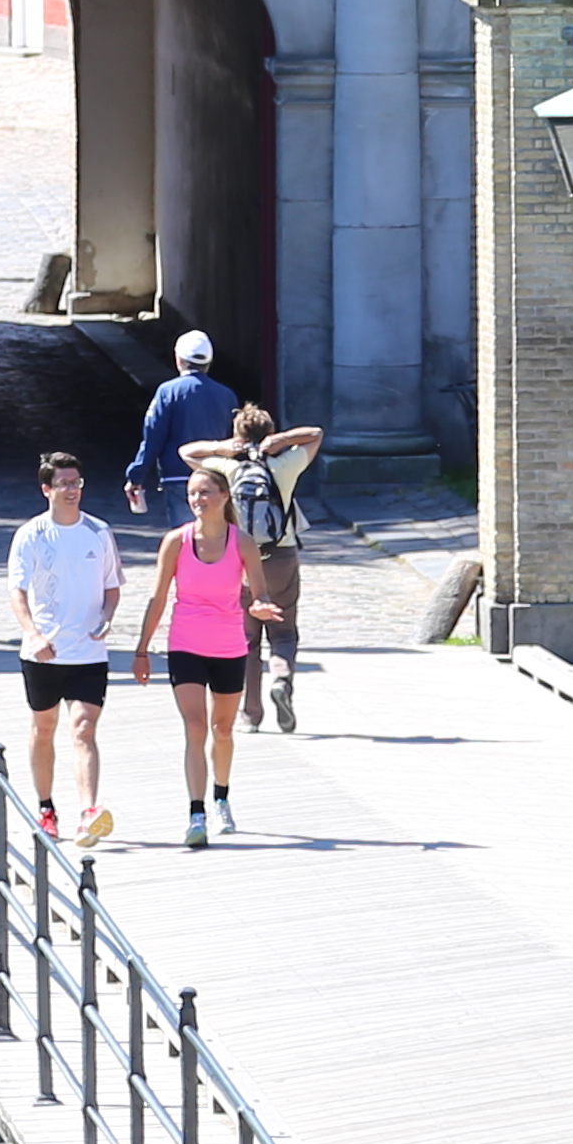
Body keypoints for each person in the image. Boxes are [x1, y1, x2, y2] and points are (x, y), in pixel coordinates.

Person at [130, 457, 255, 849]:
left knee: (222, 730)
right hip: (185, 644)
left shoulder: (242, 542)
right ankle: (196, 813)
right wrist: (141, 649)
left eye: (204, 492)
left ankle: (221, 797)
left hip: (229, 646)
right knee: (195, 727)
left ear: (223, 497)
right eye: (192, 494)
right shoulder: (176, 541)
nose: (197, 499)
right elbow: (158, 596)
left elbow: (260, 593)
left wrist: (263, 606)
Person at [3, 451, 125, 846]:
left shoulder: (99, 532)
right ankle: (45, 807)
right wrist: (34, 634)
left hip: (89, 651)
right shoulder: (31, 535)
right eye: (64, 484)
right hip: (44, 653)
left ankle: (89, 812)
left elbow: (111, 585)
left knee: (84, 729)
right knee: (44, 728)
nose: (72, 491)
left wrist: (107, 616)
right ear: (47, 490)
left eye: (77, 483)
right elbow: (17, 592)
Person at [218, 397, 325, 732]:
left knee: (247, 640)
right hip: (282, 554)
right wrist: (285, 441)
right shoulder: (285, 466)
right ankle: (282, 679)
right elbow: (317, 433)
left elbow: (186, 453)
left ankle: (251, 714)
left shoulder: (230, 469)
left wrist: (225, 448)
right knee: (283, 631)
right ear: (270, 433)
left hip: (241, 558)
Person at [124, 326, 239, 515]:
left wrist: (136, 476)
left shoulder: (167, 392)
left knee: (186, 538)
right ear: (208, 362)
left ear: (179, 360)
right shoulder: (227, 395)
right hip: (216, 477)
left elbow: (153, 437)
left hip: (177, 476)